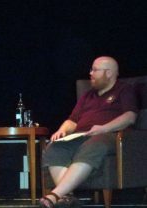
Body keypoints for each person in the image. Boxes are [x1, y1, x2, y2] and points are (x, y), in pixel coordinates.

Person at [39, 56, 138, 208]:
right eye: (91, 69)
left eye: (95, 70)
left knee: (94, 144)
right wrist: (62, 130)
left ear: (109, 73)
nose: (90, 73)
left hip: (110, 135)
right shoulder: (88, 95)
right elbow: (72, 120)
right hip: (81, 135)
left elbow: (130, 117)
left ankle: (55, 195)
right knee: (54, 147)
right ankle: (67, 197)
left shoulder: (124, 89)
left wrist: (104, 128)